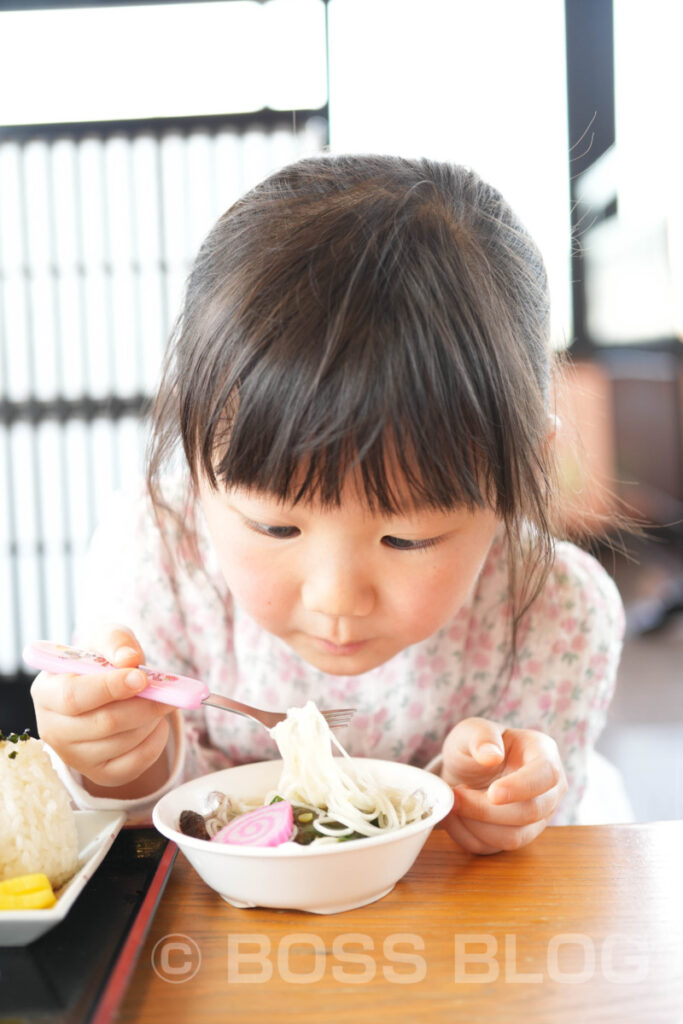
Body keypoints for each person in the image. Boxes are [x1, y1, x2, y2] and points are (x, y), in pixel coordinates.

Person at [31, 154, 624, 853]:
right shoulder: (157, 555)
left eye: (407, 538)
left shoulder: (552, 610)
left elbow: (550, 867)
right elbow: (147, 826)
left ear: (519, 469)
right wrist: (121, 762)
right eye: (276, 525)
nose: (337, 597)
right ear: (195, 465)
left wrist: (496, 806)